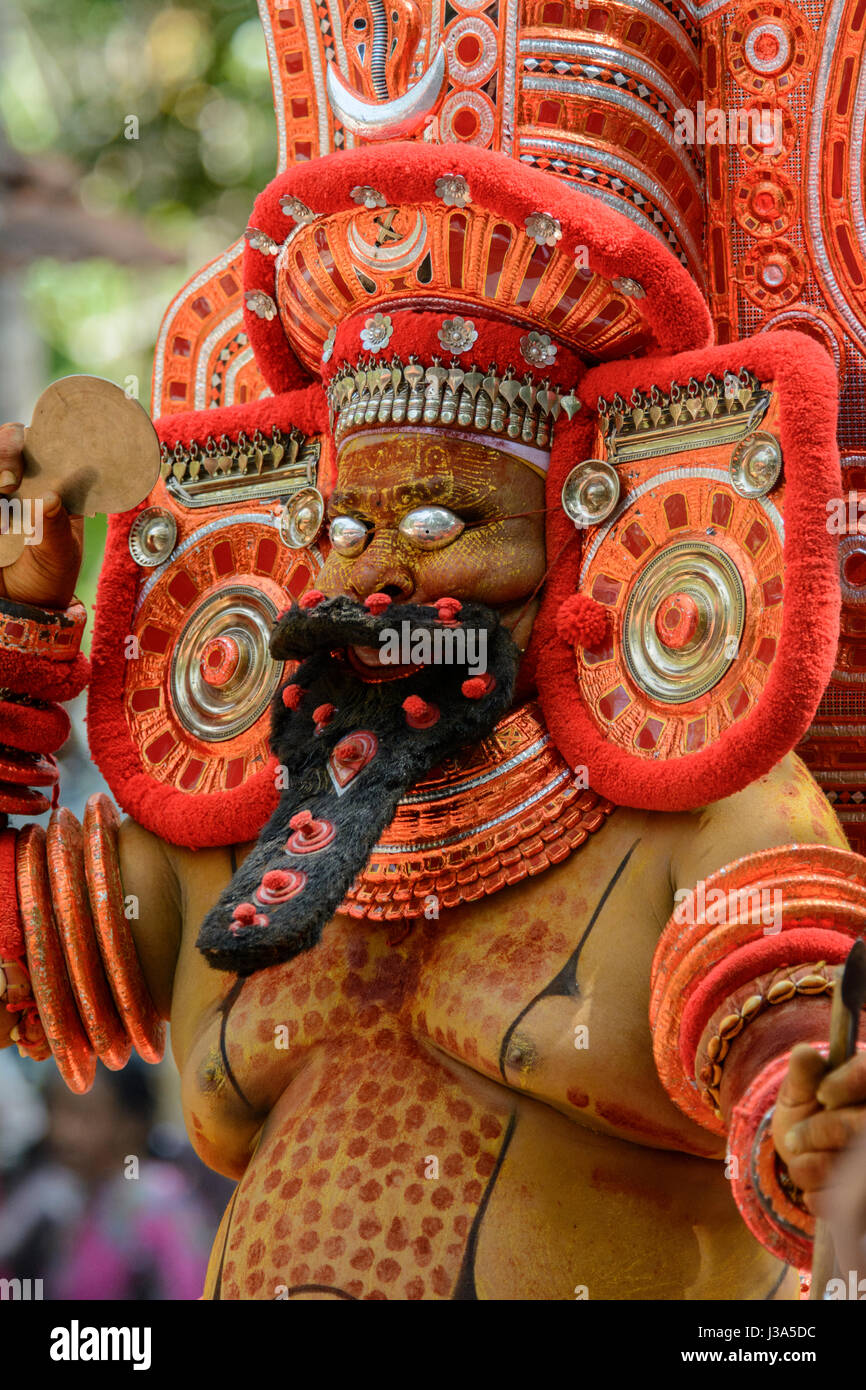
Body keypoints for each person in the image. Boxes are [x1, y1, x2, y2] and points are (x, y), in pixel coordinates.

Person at [1, 0, 865, 1300]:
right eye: (345, 530)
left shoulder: (704, 822)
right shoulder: (234, 849)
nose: (379, 572)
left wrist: (802, 1125)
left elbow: (780, 1050)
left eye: (438, 520)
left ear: (583, 540)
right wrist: (21, 634)